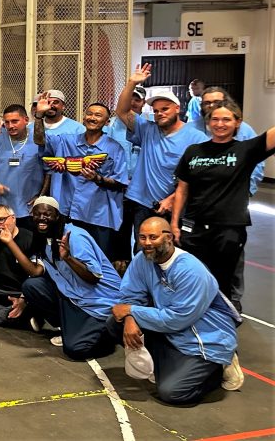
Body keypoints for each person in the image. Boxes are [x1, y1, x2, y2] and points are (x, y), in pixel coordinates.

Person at [109, 217, 243, 404]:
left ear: (169, 238)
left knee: (172, 392)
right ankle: (165, 367)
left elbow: (178, 319)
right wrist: (130, 317)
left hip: (202, 338)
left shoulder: (191, 270)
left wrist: (132, 310)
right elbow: (130, 293)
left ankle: (218, 369)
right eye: (142, 237)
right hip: (172, 330)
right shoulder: (143, 259)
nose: (147, 243)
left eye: (153, 237)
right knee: (115, 322)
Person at [172, 101, 275, 312]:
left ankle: (221, 325)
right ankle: (193, 320)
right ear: (208, 122)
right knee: (195, 275)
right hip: (195, 226)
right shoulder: (194, 151)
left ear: (237, 122)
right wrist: (175, 223)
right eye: (215, 119)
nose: (220, 124)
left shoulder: (246, 150)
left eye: (227, 119)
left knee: (223, 279)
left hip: (228, 228)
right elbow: (182, 190)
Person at [114, 64, 209, 260]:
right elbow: (122, 112)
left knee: (173, 253)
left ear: (177, 108)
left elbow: (199, 179)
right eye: (156, 111)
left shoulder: (196, 138)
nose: (160, 114)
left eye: (165, 109)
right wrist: (132, 82)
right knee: (143, 252)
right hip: (143, 203)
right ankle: (145, 289)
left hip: (176, 207)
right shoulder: (147, 130)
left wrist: (172, 199)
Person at [20, 197, 123, 360]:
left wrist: (68, 258)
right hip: (76, 297)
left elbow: (93, 278)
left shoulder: (75, 236)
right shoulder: (45, 239)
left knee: (76, 350)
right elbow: (35, 271)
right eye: (37, 214)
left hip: (100, 301)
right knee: (32, 286)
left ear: (58, 216)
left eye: (47, 214)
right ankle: (68, 327)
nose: (42, 218)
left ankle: (112, 331)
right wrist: (9, 241)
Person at [33, 96, 128, 260]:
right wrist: (39, 116)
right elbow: (39, 140)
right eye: (89, 114)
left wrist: (98, 179)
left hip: (98, 217)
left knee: (98, 263)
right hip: (67, 215)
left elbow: (120, 183)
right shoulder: (65, 141)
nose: (92, 117)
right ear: (83, 117)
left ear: (107, 122)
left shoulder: (115, 149)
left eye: (98, 115)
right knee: (65, 259)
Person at [0, 104, 46, 229]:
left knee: (28, 245)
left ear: (26, 120)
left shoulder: (37, 141)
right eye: (7, 122)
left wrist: (41, 196)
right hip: (1, 209)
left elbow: (49, 171)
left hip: (29, 208)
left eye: (14, 121)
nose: (10, 126)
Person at [104, 85, 146, 181]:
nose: (132, 103)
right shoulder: (111, 123)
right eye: (130, 99)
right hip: (116, 178)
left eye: (137, 100)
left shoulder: (149, 123)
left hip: (141, 179)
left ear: (144, 102)